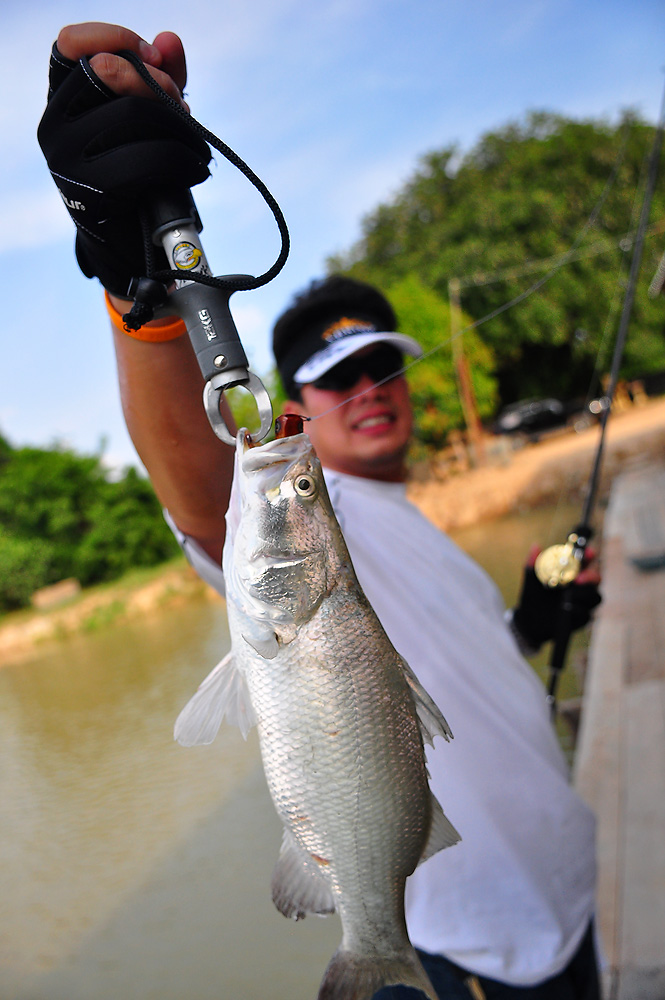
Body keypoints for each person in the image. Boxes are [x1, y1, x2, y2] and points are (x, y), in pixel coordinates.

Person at [39, 24, 603, 999]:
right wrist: (142, 297)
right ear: (294, 405)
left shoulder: (410, 519)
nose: (370, 388)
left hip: (569, 900)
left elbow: (447, 683)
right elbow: (201, 475)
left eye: (383, 364)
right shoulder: (311, 506)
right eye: (338, 378)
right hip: (474, 951)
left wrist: (532, 619)